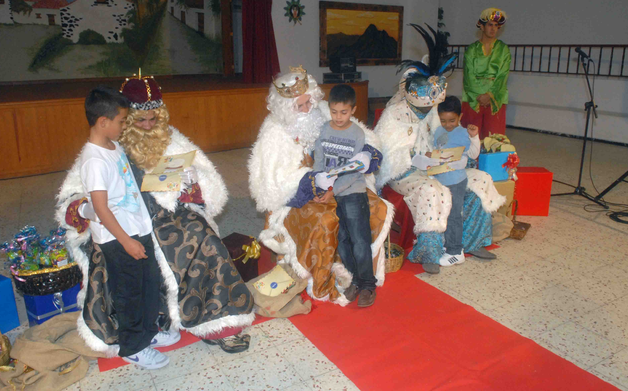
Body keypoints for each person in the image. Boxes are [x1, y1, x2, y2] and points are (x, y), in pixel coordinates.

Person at [56, 76, 254, 359]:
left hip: (168, 211)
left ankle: (216, 323)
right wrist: (83, 211)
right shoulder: (107, 143)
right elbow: (73, 197)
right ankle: (150, 325)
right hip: (124, 221)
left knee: (202, 236)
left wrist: (189, 182)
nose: (148, 126)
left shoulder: (170, 137)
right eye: (140, 121)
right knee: (123, 260)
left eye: (153, 119)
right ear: (125, 118)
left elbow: (207, 180)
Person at [248, 66, 393, 305]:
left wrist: (367, 155)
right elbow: (273, 183)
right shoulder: (273, 132)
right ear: (286, 109)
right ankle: (335, 274)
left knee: (374, 207)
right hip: (301, 194)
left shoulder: (327, 111)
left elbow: (365, 140)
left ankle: (363, 279)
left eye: (309, 103)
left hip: (345, 185)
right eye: (300, 106)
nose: (307, 109)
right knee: (328, 221)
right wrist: (313, 180)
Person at [375, 24, 505, 274]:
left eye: (431, 107)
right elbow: (387, 156)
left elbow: (443, 137)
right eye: (424, 107)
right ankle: (431, 253)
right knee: (432, 191)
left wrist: (449, 155)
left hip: (437, 165)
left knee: (480, 179)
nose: (428, 111)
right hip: (405, 173)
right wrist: (416, 160)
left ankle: (472, 241)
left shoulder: (433, 109)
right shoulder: (393, 115)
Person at [73, 87, 171, 369]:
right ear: (103, 122)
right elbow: (101, 208)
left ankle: (148, 333)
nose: (124, 125)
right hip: (119, 239)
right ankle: (133, 346)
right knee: (130, 292)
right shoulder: (93, 160)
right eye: (121, 121)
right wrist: (127, 241)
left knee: (149, 283)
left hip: (137, 230)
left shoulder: (114, 147)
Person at [312, 85, 378, 307]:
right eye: (334, 111)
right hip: (330, 192)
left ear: (353, 110)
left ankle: (368, 284)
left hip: (352, 192)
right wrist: (318, 187)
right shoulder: (323, 131)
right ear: (328, 109)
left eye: (344, 112)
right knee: (341, 240)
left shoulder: (358, 135)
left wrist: (333, 191)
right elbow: (319, 162)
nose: (338, 117)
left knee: (360, 240)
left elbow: (354, 171)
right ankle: (354, 281)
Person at [427, 96, 473, 266]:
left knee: (454, 215)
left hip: (455, 181)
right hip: (440, 178)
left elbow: (470, 154)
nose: (448, 124)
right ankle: (445, 245)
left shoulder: (463, 133)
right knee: (442, 213)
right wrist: (430, 159)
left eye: (452, 120)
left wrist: (460, 161)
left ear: (460, 117)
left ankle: (456, 251)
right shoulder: (439, 131)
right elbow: (437, 150)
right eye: (443, 120)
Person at [461, 8, 511, 139]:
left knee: (493, 136)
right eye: (490, 25)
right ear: (481, 26)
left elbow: (502, 76)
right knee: (471, 135)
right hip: (473, 97)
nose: (493, 29)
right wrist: (480, 95)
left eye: (496, 26)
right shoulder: (471, 49)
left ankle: (491, 160)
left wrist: (489, 95)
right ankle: (470, 160)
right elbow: (468, 75)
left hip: (496, 97)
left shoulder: (504, 49)